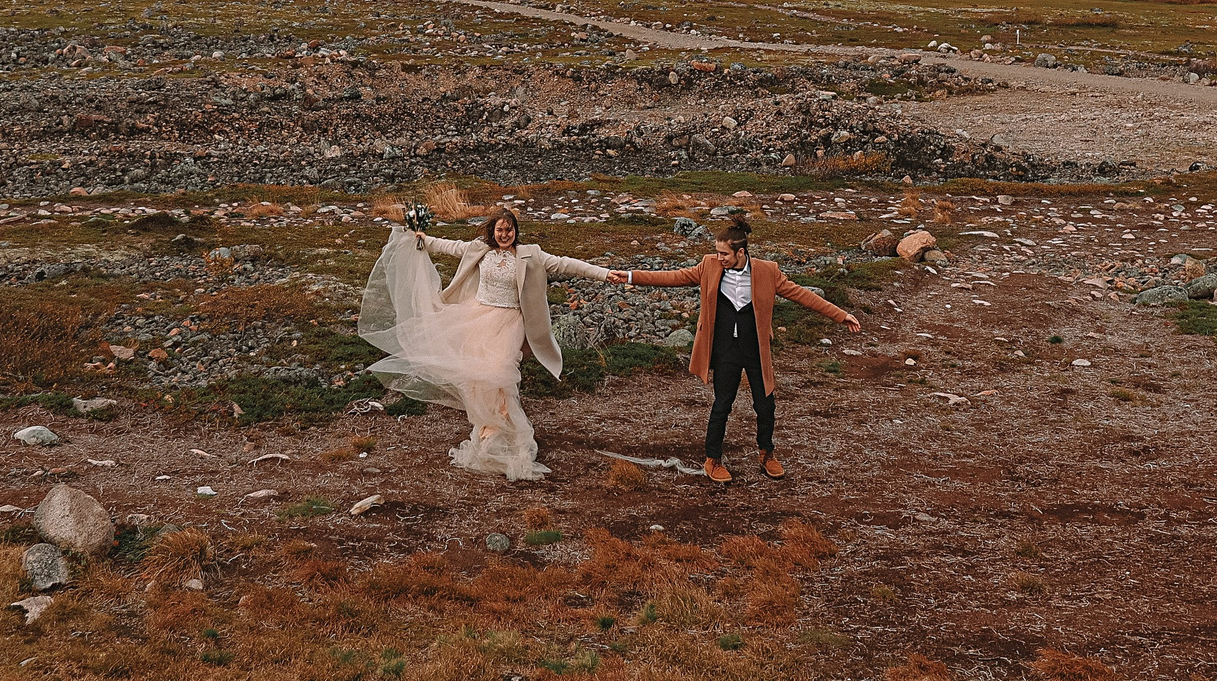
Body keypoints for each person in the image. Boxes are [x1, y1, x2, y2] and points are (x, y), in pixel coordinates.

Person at [360, 205, 632, 481]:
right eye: (500, 230)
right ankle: (488, 433)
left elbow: (567, 263)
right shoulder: (479, 249)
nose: (505, 234)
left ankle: (512, 437)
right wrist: (421, 238)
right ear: (492, 231)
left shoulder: (531, 255)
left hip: (510, 321)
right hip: (476, 317)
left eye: (509, 229)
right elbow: (448, 246)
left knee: (501, 371)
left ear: (516, 231)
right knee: (477, 378)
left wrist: (605, 273)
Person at [623, 217, 860, 483]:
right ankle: (713, 459)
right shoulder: (709, 266)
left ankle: (766, 453)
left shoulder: (767, 271)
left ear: (740, 252)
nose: (719, 257)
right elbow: (674, 277)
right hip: (725, 349)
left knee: (765, 404)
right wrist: (632, 276)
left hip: (756, 349)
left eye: (724, 253)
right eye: (716, 252)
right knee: (722, 404)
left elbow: (802, 294)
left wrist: (841, 315)